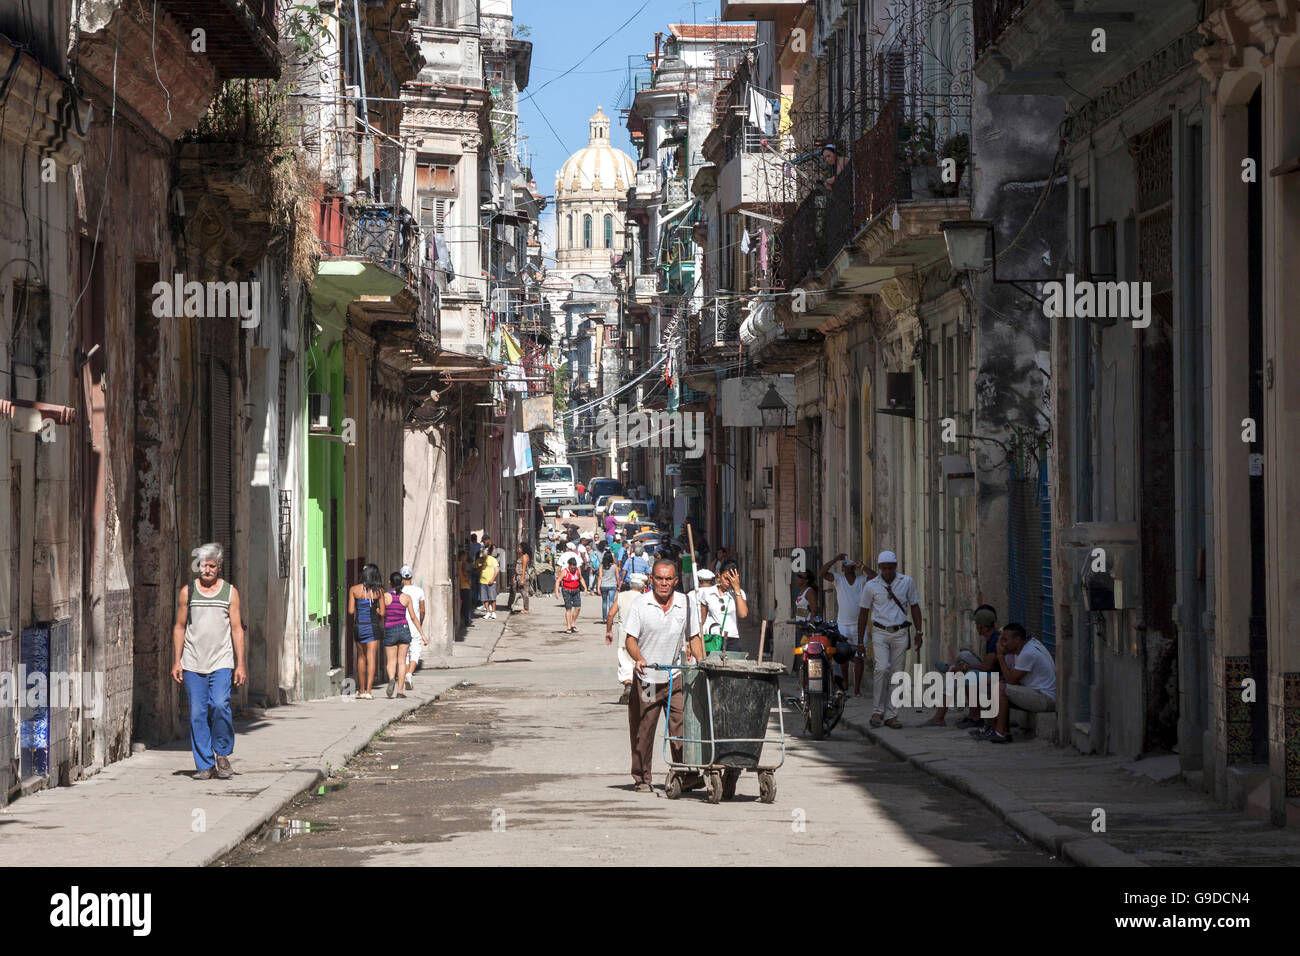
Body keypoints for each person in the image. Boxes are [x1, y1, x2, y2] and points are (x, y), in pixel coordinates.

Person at [623, 558, 705, 793]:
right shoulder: (641, 604)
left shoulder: (685, 603)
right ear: (651, 580)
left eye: (669, 579)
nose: (664, 583)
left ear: (676, 581)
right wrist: (638, 658)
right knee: (644, 729)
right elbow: (630, 639)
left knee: (681, 726)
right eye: (659, 578)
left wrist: (702, 663)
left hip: (675, 676)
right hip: (647, 677)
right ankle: (642, 778)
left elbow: (694, 637)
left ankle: (684, 773)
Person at [172, 543, 245, 780]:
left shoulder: (230, 593)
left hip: (222, 660)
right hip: (193, 662)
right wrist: (177, 661)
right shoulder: (188, 592)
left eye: (212, 566)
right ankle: (204, 764)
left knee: (220, 704)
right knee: (197, 713)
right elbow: (180, 627)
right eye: (204, 565)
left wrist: (240, 663)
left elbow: (236, 629)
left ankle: (222, 754)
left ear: (219, 567)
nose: (207, 570)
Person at [859, 550, 923, 729]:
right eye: (884, 568)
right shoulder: (871, 585)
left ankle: (892, 715)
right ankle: (877, 711)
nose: (887, 571)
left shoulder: (906, 582)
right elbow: (863, 613)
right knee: (881, 668)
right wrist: (860, 641)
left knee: (897, 674)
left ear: (895, 567)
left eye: (890, 568)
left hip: (901, 632)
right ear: (879, 568)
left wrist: (919, 632)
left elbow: (915, 606)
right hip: (880, 632)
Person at [972, 622, 1056, 744]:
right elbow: (1011, 679)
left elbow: (1011, 681)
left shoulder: (1027, 653)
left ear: (1017, 640)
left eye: (1005, 640)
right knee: (992, 686)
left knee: (1000, 688)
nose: (1002, 644)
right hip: (1035, 693)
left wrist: (1000, 655)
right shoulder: (1021, 650)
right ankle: (994, 729)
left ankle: (1000, 733)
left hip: (1045, 698)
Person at [927, 605, 1000, 727]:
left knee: (967, 675)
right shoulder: (991, 638)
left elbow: (988, 667)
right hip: (992, 673)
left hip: (999, 677)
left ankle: (974, 716)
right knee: (962, 660)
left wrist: (965, 668)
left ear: (981, 626)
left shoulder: (995, 639)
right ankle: (942, 716)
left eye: (977, 624)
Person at [822, 553, 873, 695]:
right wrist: (834, 559)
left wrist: (863, 566)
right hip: (843, 625)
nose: (848, 569)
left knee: (859, 657)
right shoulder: (839, 580)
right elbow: (822, 573)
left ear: (854, 568)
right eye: (845, 567)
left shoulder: (862, 580)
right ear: (843, 569)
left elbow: (876, 577)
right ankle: (845, 685)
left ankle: (857, 690)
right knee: (842, 657)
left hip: (859, 626)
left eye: (851, 566)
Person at [381, 571, 426, 699]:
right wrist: (422, 634)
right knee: (402, 662)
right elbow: (413, 617)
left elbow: (381, 613)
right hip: (404, 629)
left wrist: (378, 610)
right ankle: (400, 691)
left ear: (389, 582)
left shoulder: (385, 597)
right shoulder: (406, 597)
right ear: (401, 582)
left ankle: (391, 679)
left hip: (390, 629)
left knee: (391, 661)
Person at [607, 571, 649, 704]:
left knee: (625, 663)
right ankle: (648, 694)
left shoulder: (621, 596)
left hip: (624, 637)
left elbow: (610, 614)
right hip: (642, 639)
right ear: (642, 586)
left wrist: (609, 631)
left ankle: (628, 687)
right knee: (643, 664)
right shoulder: (647, 598)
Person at [347, 562, 385, 699]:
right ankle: (369, 691)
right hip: (373, 626)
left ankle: (361, 690)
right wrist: (374, 609)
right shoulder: (379, 591)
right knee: (371, 658)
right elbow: (382, 613)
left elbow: (351, 611)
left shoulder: (354, 589)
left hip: (359, 626)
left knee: (361, 657)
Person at [694, 563, 749, 653]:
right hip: (712, 638)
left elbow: (743, 614)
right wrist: (697, 638)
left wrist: (737, 589)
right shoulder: (708, 593)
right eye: (726, 578)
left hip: (732, 638)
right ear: (719, 575)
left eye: (731, 579)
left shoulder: (739, 593)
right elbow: (702, 619)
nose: (728, 582)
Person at [399, 565, 427, 691]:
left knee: (404, 653)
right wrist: (420, 622)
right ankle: (409, 674)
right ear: (411, 576)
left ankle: (404, 674)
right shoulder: (419, 591)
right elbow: (422, 610)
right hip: (414, 624)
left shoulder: (398, 591)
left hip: (401, 624)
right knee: (415, 651)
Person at [557, 544, 584, 632]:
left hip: (576, 590)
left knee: (578, 607)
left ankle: (573, 624)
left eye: (574, 568)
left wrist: (585, 587)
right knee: (568, 608)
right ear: (569, 565)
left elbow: (580, 578)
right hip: (566, 590)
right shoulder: (565, 571)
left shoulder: (576, 568)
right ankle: (568, 626)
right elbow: (558, 580)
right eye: (572, 568)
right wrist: (556, 591)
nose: (573, 569)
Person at [477, 541, 500, 620]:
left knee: (492, 598)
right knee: (484, 598)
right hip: (482, 581)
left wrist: (492, 579)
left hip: (491, 582)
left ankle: (493, 612)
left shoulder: (493, 560)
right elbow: (475, 569)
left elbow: (497, 570)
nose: (483, 553)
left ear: (487, 552)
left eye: (484, 552)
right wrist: (481, 567)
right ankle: (487, 612)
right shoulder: (480, 560)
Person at [599, 548, 621, 621]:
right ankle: (610, 618)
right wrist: (619, 586)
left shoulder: (602, 566)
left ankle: (605, 618)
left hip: (604, 585)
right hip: (612, 585)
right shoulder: (614, 566)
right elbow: (617, 577)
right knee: (611, 601)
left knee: (604, 601)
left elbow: (600, 577)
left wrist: (598, 587)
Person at [511, 541, 532, 615]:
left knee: (524, 593)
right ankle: (511, 604)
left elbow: (523, 569)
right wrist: (515, 576)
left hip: (523, 576)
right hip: (518, 576)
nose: (518, 549)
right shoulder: (521, 556)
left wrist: (522, 580)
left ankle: (526, 609)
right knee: (518, 591)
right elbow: (517, 567)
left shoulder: (525, 556)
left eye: (520, 547)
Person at [456, 548, 473, 636]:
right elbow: (465, 575)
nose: (466, 557)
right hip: (465, 586)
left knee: (463, 606)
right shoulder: (463, 564)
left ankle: (464, 621)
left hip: (461, 586)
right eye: (465, 556)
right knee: (467, 606)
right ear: (463, 556)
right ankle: (467, 621)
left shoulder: (457, 564)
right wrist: (468, 579)